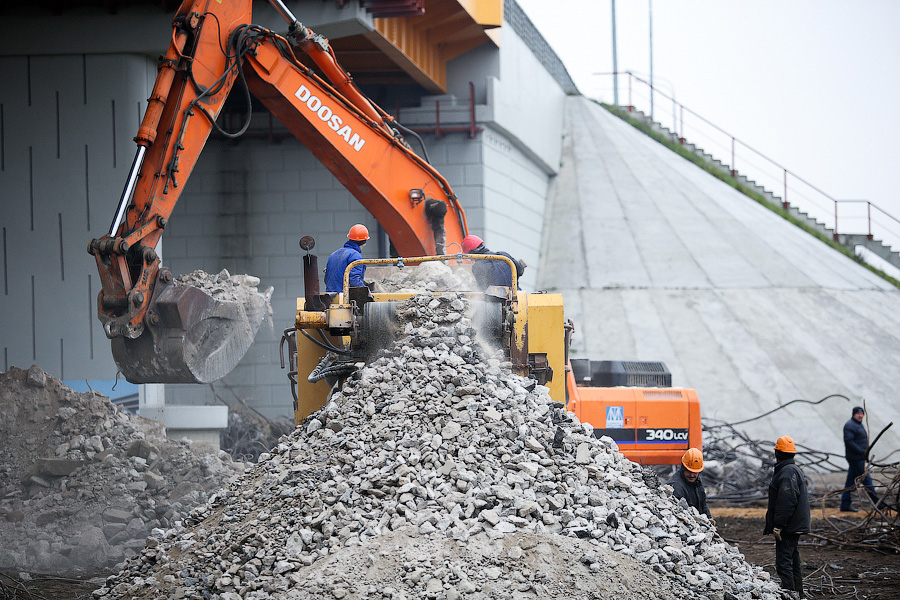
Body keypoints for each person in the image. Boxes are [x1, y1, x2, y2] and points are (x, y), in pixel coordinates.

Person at [764, 435, 810, 599]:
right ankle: (799, 593)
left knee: (784, 562)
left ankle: (791, 594)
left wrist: (779, 525)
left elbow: (787, 501)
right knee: (793, 559)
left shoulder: (787, 472)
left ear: (777, 453)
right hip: (794, 524)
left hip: (789, 525)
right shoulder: (791, 469)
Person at [840, 406, 878, 512]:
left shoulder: (858, 425)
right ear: (853, 414)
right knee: (867, 479)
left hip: (859, 457)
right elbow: (849, 441)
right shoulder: (850, 425)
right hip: (855, 458)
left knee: (850, 482)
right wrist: (862, 452)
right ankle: (878, 503)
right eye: (858, 414)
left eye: (862, 414)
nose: (860, 416)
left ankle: (845, 504)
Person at [666, 447, 712, 518]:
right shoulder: (676, 486)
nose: (692, 475)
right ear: (683, 468)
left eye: (695, 472)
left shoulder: (697, 481)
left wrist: (709, 519)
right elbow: (680, 515)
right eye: (689, 471)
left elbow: (703, 503)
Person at [325, 224, 369, 293]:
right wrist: (367, 292)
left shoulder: (334, 254)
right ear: (364, 242)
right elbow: (354, 281)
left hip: (330, 296)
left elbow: (326, 279)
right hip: (344, 296)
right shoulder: (356, 256)